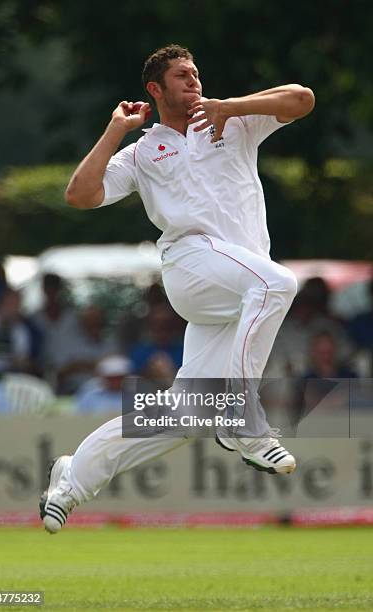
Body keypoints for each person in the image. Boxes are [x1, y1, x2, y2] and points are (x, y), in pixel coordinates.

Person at [40, 44, 315, 533]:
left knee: (187, 413)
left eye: (196, 74)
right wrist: (115, 130)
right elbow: (80, 195)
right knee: (279, 284)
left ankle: (71, 479)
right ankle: (241, 418)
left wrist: (231, 107)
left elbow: (301, 99)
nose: (194, 83)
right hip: (190, 264)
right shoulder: (144, 151)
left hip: (236, 286)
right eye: (182, 76)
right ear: (155, 88)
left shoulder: (234, 120)